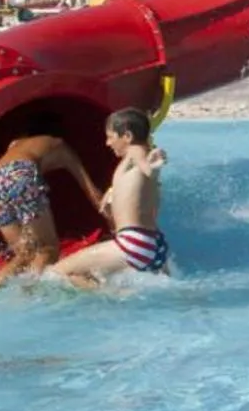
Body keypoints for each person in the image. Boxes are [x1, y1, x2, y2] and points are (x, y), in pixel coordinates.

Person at [0, 118, 107, 297]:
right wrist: (111, 220)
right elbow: (91, 191)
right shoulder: (60, 145)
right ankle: (28, 293)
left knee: (24, 253)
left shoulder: (15, 144)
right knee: (48, 249)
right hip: (20, 174)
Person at [52, 109, 170, 285]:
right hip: (154, 244)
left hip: (134, 243)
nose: (107, 143)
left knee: (58, 273)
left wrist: (153, 168)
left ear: (127, 136)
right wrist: (113, 192)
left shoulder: (136, 151)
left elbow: (147, 168)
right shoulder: (133, 167)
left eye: (110, 136)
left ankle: (114, 297)